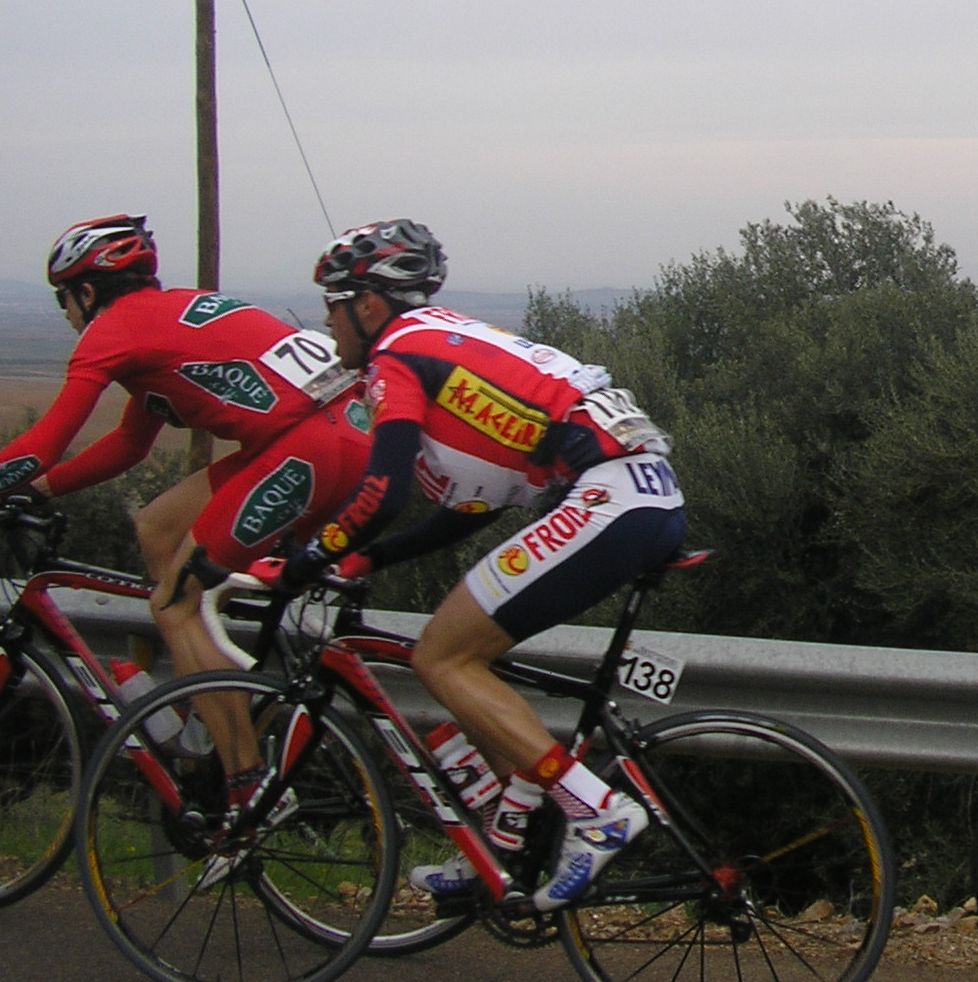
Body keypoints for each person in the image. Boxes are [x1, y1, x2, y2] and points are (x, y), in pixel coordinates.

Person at [274, 219, 687, 911]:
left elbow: (384, 490)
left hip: (610, 498)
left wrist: (311, 558)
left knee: (443, 658)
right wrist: (369, 556)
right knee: (468, 660)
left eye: (332, 304)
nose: (327, 321)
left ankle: (596, 810)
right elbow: (471, 509)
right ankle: (506, 842)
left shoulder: (397, 355)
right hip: (640, 494)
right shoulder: (448, 340)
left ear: (368, 305)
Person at [0, 213, 371, 819]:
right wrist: (40, 491)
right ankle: (206, 706)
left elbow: (44, 441)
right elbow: (129, 446)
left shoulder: (112, 329)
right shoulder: (168, 316)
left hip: (307, 448)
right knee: (159, 525)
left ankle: (244, 782)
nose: (65, 313)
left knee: (174, 604)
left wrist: (18, 477)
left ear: (85, 291)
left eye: (62, 298)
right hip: (338, 437)